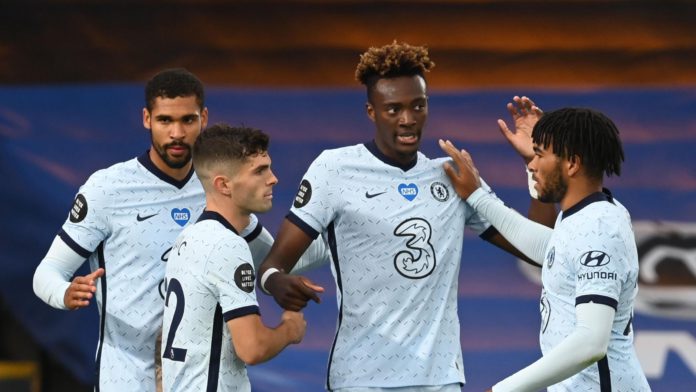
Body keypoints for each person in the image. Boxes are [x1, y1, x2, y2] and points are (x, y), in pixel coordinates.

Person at [257, 41, 554, 391]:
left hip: (440, 378)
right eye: (393, 109)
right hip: (361, 378)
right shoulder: (334, 170)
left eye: (418, 106)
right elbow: (274, 264)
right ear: (371, 111)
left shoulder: (452, 173)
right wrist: (276, 283)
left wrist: (537, 163)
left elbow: (539, 248)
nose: (408, 119)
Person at [32, 68, 326, 391]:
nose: (177, 133)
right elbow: (47, 272)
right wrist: (64, 293)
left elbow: (276, 258)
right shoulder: (108, 190)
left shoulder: (218, 191)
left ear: (204, 118)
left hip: (192, 379)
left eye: (188, 120)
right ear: (146, 119)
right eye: (165, 121)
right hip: (127, 378)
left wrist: (340, 234)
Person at [439, 107, 650, 391]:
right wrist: (477, 196)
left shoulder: (600, 228)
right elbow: (544, 247)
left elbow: (591, 343)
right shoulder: (583, 216)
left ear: (572, 163)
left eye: (539, 155)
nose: (531, 165)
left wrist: (503, 390)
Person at [161, 124, 306, 391]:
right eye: (260, 170)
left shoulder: (189, 236)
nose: (273, 178)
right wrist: (290, 329)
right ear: (223, 185)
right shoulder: (227, 245)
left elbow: (284, 257)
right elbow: (252, 348)